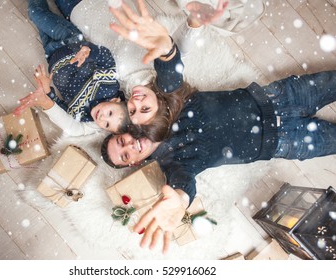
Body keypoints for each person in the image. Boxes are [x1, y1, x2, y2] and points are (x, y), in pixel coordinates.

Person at [102, 0, 336, 253]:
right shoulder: (173, 164)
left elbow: (170, 76)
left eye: (121, 141)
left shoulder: (166, 108)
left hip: (280, 97)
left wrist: (167, 51)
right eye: (126, 154)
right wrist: (180, 200)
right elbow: (184, 185)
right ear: (134, 163)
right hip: (288, 141)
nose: (129, 145)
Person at [14, 0, 130, 136]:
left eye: (106, 124)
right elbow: (106, 59)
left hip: (51, 56)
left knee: (40, 14)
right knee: (36, 13)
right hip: (69, 40)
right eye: (110, 113)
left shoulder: (83, 116)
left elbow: (59, 105)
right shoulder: (108, 87)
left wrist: (46, 88)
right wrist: (89, 51)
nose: (103, 118)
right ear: (115, 101)